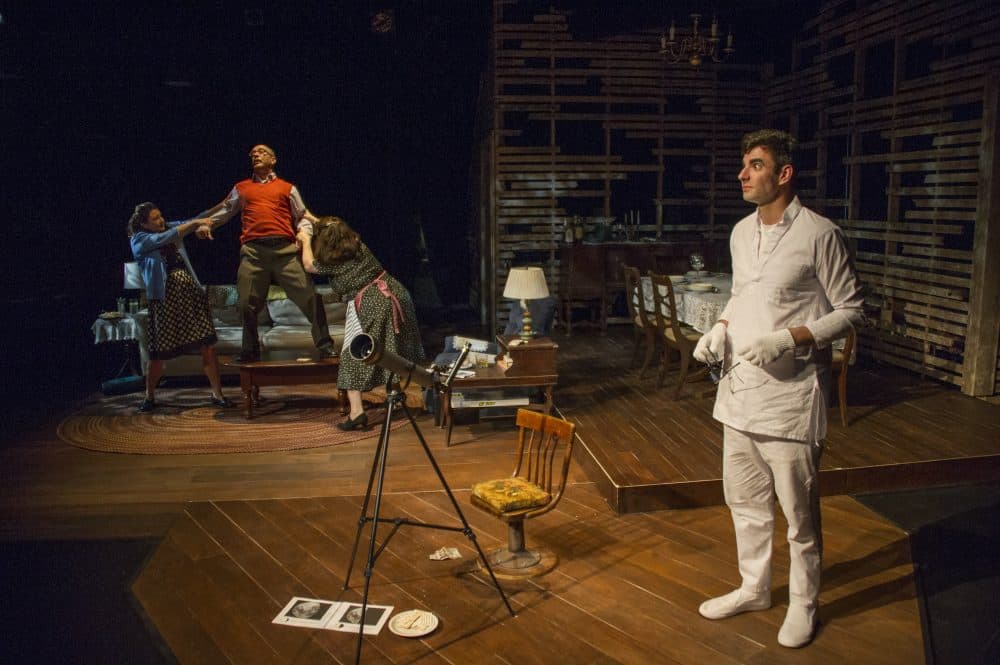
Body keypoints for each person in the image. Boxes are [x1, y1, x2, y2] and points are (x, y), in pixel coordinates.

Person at [692, 129, 864, 648]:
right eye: (744, 164)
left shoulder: (819, 234)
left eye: (755, 165)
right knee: (743, 503)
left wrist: (792, 337)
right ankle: (754, 587)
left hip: (790, 399)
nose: (743, 174)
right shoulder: (741, 232)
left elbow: (852, 311)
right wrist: (721, 325)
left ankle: (804, 604)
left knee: (799, 514)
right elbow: (743, 293)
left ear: (783, 174)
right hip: (739, 393)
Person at [197, 144, 336, 361]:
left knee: (310, 296)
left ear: (273, 159)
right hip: (254, 252)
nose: (255, 155)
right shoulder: (242, 188)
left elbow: (302, 215)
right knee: (246, 303)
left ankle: (325, 345)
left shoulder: (287, 188)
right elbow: (225, 210)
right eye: (253, 154)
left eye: (261, 152)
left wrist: (303, 234)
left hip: (285, 251)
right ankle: (250, 352)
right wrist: (208, 225)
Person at [299, 216, 425, 431]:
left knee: (353, 354)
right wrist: (310, 218)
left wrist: (305, 238)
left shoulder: (331, 261)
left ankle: (357, 412)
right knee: (391, 345)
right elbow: (331, 226)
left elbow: (309, 264)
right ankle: (401, 392)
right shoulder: (359, 247)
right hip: (396, 293)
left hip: (371, 301)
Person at [127, 202, 233, 413]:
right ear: (144, 224)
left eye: (161, 216)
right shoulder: (139, 240)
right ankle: (149, 397)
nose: (161, 220)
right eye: (155, 218)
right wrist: (196, 222)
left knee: (206, 344)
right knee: (158, 353)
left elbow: (194, 219)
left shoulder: (167, 228)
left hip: (188, 294)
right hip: (164, 299)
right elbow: (169, 235)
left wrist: (219, 206)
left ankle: (217, 394)